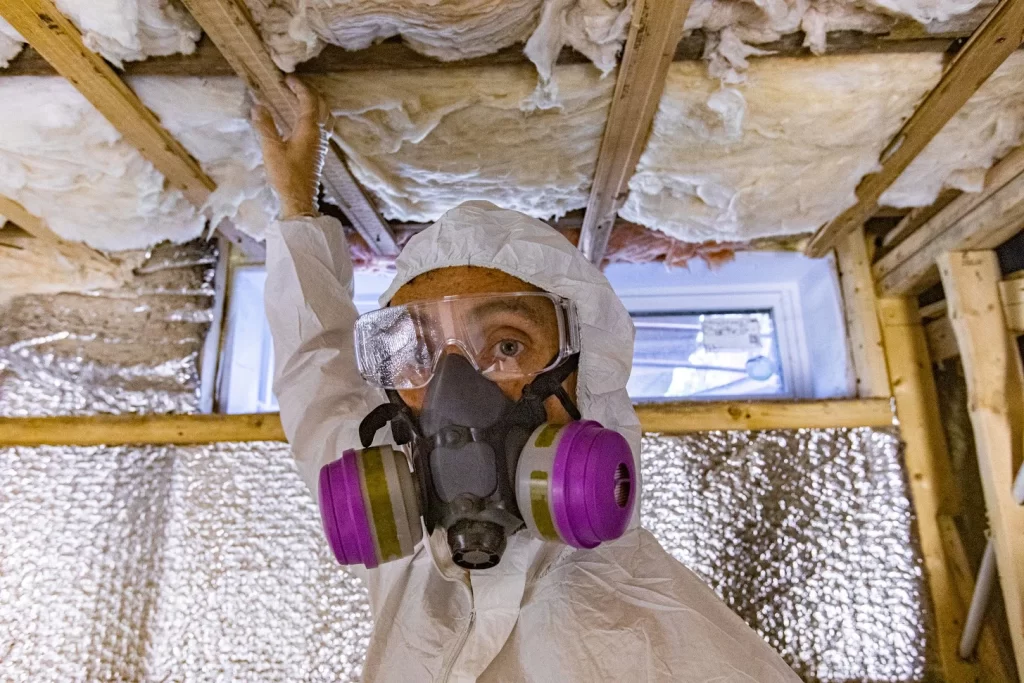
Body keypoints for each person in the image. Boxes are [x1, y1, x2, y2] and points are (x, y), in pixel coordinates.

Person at [253, 77, 801, 683]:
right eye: (419, 351)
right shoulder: (412, 557)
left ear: (582, 377)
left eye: (506, 345)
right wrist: (297, 205)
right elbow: (317, 371)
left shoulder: (674, 646)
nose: (450, 392)